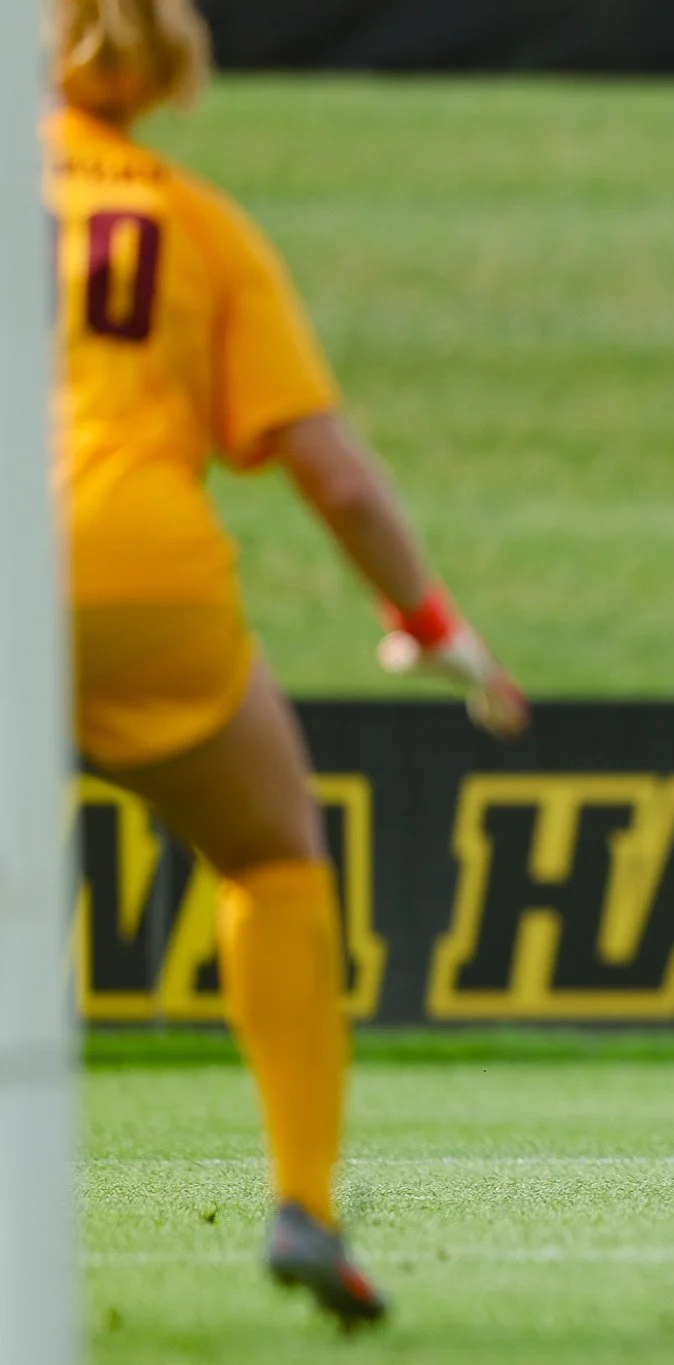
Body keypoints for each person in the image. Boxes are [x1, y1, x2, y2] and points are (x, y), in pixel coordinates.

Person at [47, 0, 528, 1327]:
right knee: (270, 858)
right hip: (137, 571)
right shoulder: (196, 226)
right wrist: (429, 620)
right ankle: (305, 1204)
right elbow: (331, 471)